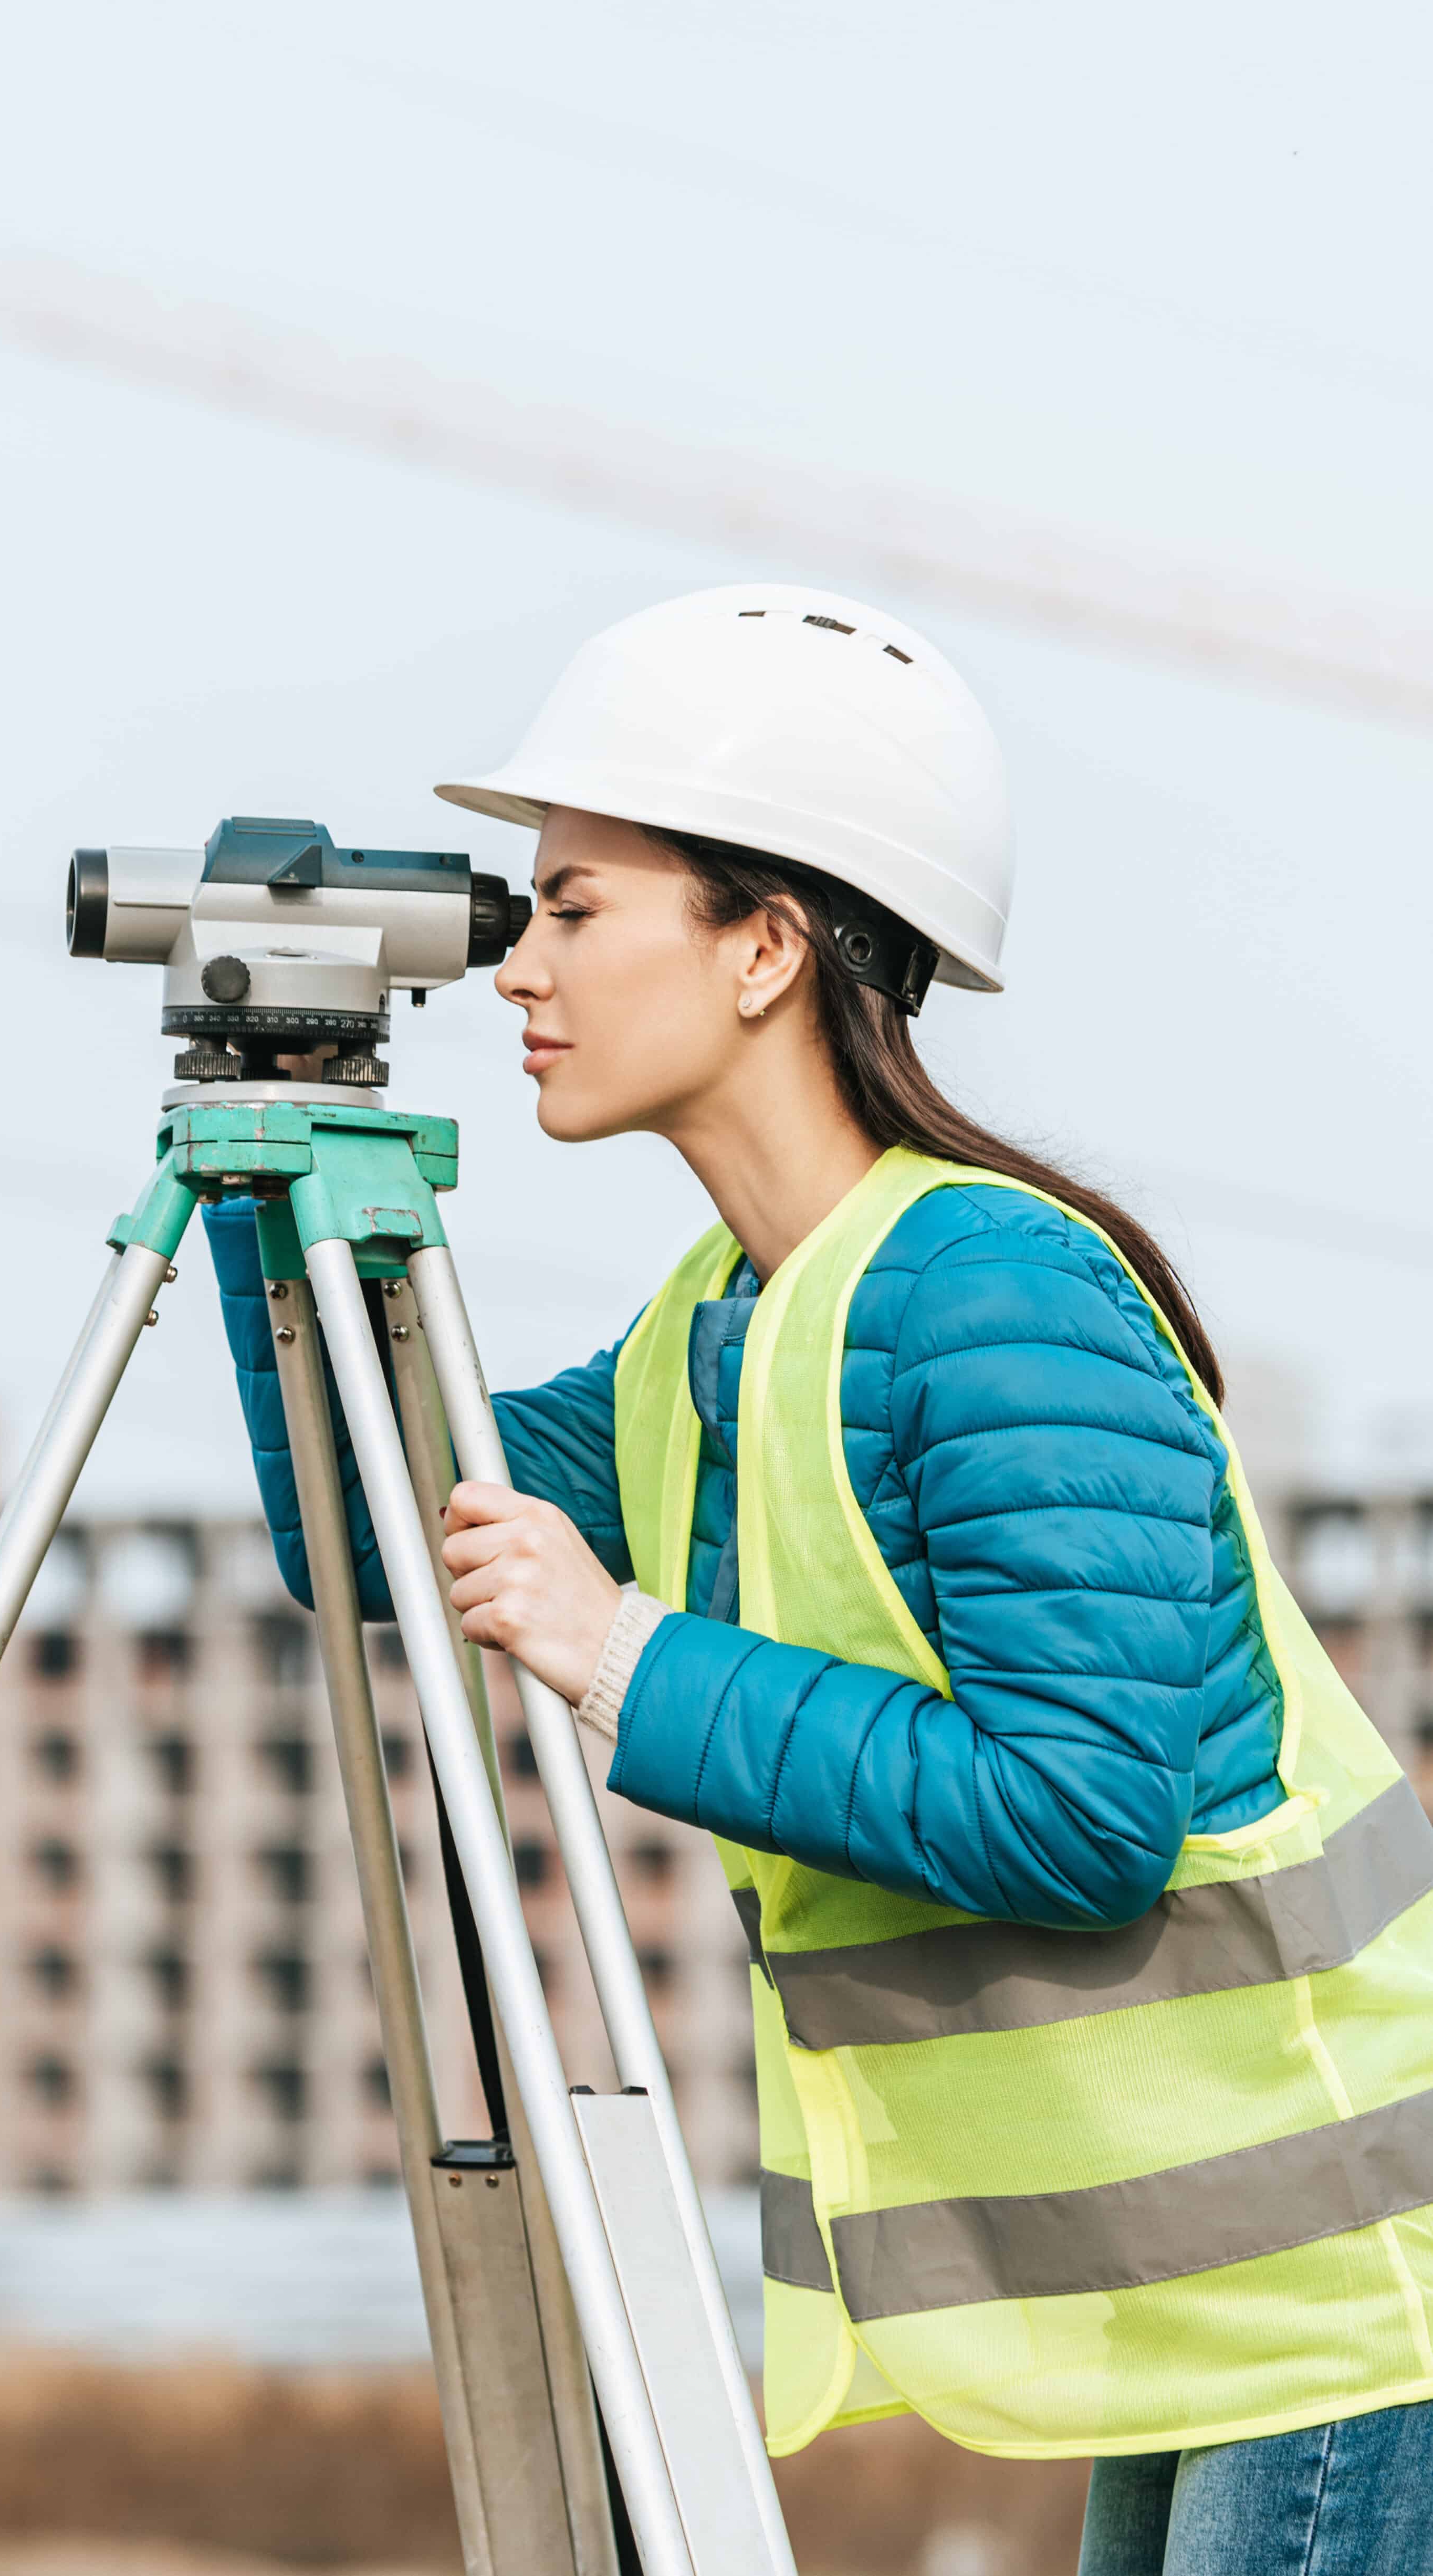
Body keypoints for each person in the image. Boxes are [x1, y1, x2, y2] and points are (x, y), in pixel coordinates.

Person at [207, 584, 1433, 2576]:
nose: (521, 963)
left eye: (580, 906)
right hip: (1205, 2288)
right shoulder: (724, 1325)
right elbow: (370, 1526)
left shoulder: (996, 1293)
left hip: (1353, 2285)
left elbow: (1090, 1812)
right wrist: (283, 1187)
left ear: (768, 944)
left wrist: (626, 1656)